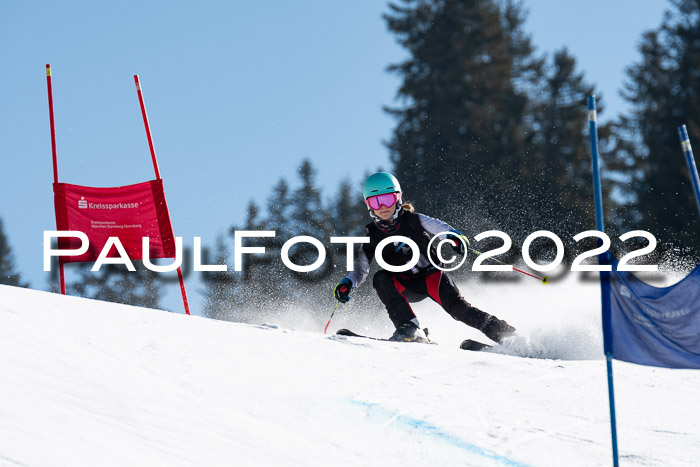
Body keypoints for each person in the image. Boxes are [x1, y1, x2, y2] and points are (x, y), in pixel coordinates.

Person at [333, 172, 516, 343]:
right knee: (380, 278)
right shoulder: (371, 235)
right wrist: (348, 283)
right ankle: (409, 328)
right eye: (375, 202)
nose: (382, 207)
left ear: (398, 197)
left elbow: (440, 228)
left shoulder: (413, 220)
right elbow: (360, 268)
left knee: (459, 310)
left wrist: (454, 238)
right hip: (404, 283)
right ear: (368, 205)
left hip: (431, 276)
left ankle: (506, 334)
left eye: (387, 199)